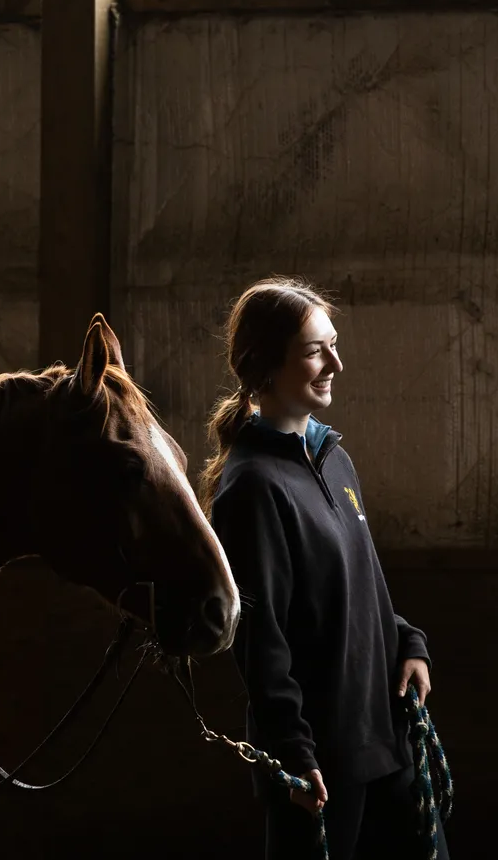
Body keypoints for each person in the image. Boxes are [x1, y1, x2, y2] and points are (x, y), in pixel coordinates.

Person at [203, 278, 446, 859]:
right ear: (266, 366)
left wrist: (407, 642)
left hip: (385, 737)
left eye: (333, 345)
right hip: (321, 767)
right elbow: (261, 643)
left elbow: (360, 586)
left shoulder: (334, 458)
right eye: (316, 351)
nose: (336, 364)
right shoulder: (251, 489)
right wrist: (292, 754)